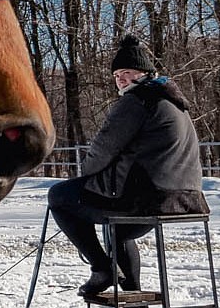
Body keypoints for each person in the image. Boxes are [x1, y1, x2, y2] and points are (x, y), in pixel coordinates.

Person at [47, 34, 209, 296]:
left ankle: (101, 269)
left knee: (59, 195)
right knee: (118, 230)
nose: (120, 79)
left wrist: (84, 176)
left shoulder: (138, 100)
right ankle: (132, 292)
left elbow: (103, 148)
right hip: (186, 197)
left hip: (149, 197)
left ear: (145, 73)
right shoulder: (174, 102)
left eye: (127, 72)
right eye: (117, 74)